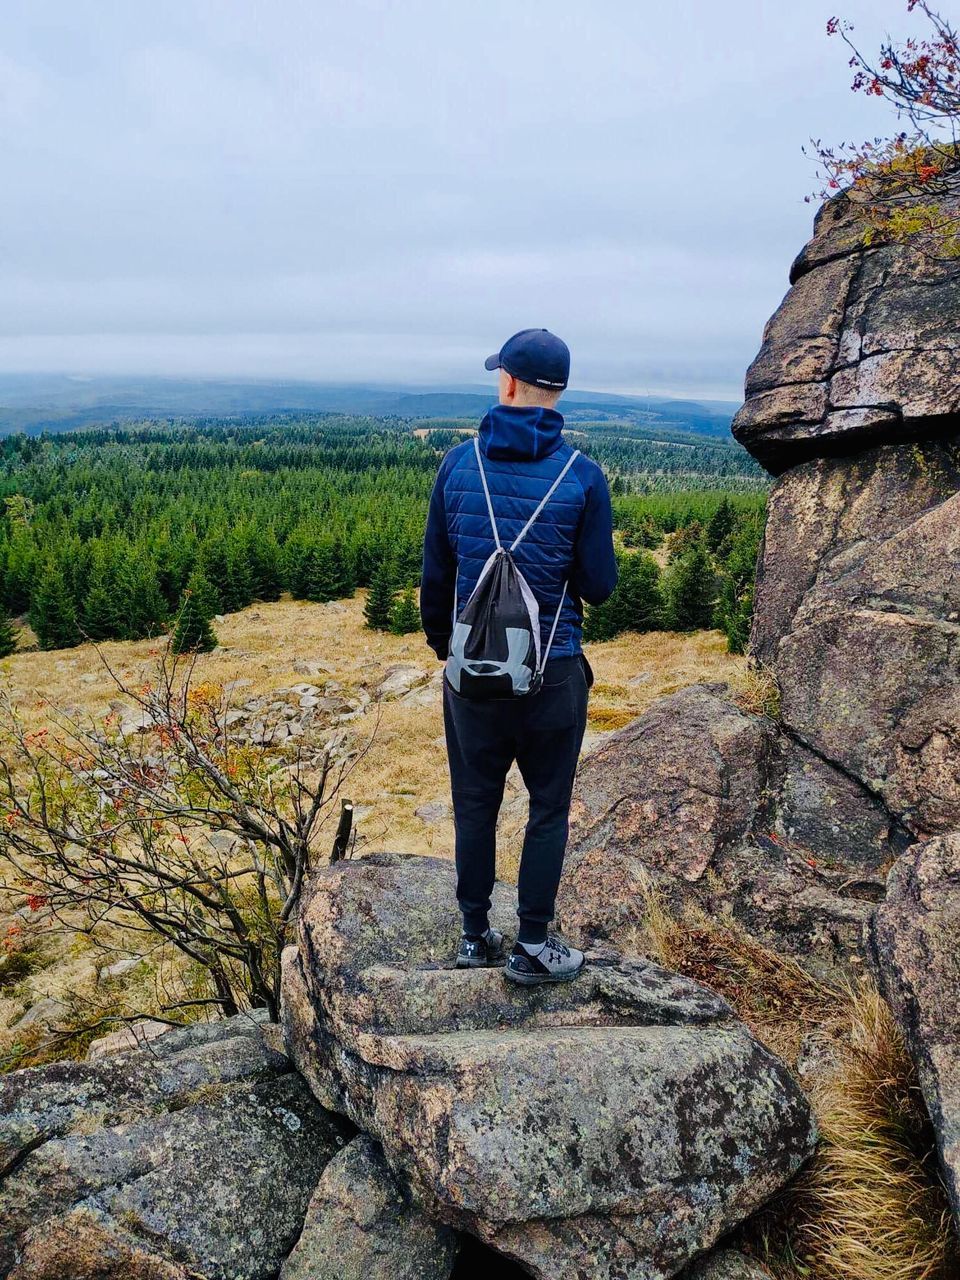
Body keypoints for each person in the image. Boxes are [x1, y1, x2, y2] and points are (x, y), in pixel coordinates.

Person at [420, 328, 618, 984]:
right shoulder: (582, 476)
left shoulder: (457, 465)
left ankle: (474, 936)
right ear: (557, 392)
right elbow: (599, 586)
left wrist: (446, 653)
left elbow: (436, 580)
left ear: (507, 383)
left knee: (474, 803)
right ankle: (534, 945)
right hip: (552, 675)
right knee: (547, 808)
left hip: (472, 677)